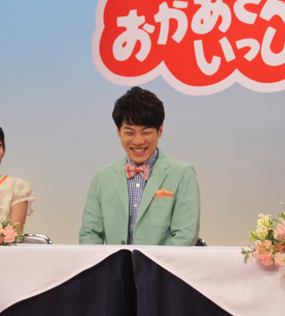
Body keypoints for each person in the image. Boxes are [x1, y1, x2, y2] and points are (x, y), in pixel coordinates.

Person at [79, 87, 200, 246]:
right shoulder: (102, 177)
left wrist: (150, 262)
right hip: (113, 262)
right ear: (118, 132)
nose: (138, 141)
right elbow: (90, 233)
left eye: (146, 132)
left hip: (160, 262)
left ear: (160, 130)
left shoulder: (182, 173)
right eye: (129, 132)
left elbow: (185, 234)